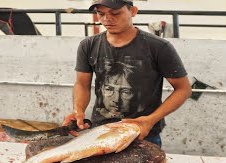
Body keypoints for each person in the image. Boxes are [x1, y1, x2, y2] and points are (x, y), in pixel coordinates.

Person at [63, 0, 192, 147]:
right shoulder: (88, 45)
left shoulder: (158, 47)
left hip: (142, 133)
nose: (107, 19)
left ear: (133, 11)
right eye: (101, 14)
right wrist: (78, 110)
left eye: (115, 13)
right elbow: (82, 84)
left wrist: (150, 120)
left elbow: (184, 89)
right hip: (100, 130)